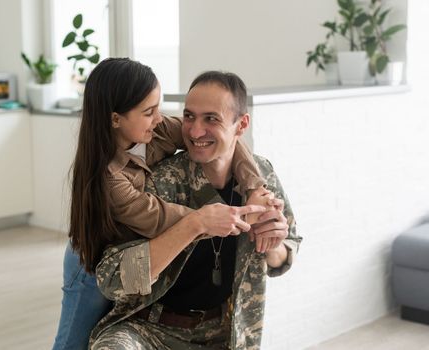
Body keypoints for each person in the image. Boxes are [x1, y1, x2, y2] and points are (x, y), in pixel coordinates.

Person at [52, 58, 269, 350]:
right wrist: (208, 219)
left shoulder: (155, 129)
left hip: (131, 249)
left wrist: (255, 186)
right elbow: (158, 219)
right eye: (149, 111)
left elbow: (226, 138)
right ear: (116, 119)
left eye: (159, 107)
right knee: (73, 342)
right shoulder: (110, 178)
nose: (159, 118)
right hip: (92, 258)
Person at [89, 71, 302, 349]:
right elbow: (112, 278)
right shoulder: (159, 180)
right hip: (148, 329)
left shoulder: (262, 177)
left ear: (241, 125)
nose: (194, 131)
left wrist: (270, 242)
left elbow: (286, 252)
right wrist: (195, 224)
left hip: (226, 333)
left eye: (211, 118)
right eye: (189, 116)